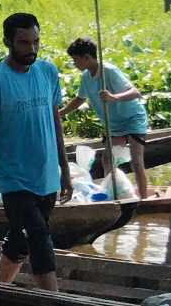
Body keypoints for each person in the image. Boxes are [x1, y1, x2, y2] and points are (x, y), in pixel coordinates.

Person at [0, 13, 73, 291]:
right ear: (7, 41)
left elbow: (56, 123)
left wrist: (65, 171)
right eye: (23, 43)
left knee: (20, 241)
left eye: (36, 42)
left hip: (46, 176)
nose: (31, 49)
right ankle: (54, 305)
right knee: (39, 237)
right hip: (15, 180)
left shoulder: (47, 71)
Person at [61, 37, 152, 200]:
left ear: (87, 58)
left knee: (136, 162)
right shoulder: (86, 77)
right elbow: (79, 99)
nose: (74, 64)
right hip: (114, 123)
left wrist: (113, 97)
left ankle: (144, 199)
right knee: (108, 159)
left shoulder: (109, 71)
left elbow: (135, 92)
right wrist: (61, 113)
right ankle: (113, 194)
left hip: (132, 118)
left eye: (76, 60)